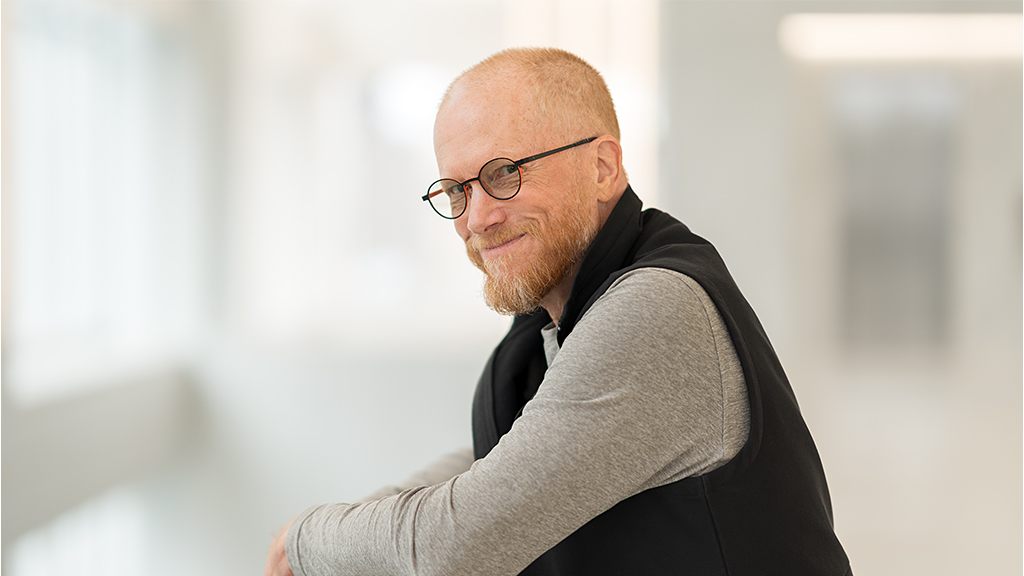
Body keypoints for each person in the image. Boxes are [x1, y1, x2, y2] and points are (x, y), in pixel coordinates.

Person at [265, 47, 851, 576]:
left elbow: (456, 543)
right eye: (456, 191)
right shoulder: (555, 321)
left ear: (602, 168)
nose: (476, 219)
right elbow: (514, 461)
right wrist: (361, 518)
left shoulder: (655, 308)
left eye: (503, 175)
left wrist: (308, 542)